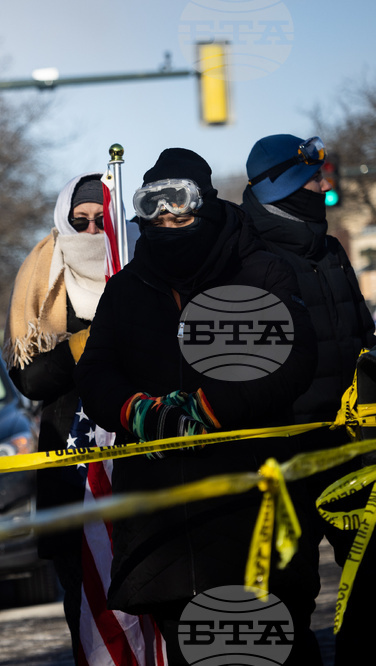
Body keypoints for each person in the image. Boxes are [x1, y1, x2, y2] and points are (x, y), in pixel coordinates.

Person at [75, 148, 319, 664]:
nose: (167, 220)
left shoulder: (260, 271)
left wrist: (206, 408)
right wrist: (137, 411)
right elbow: (95, 374)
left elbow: (291, 362)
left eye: (180, 208)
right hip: (165, 530)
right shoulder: (125, 289)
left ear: (205, 204)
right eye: (154, 209)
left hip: (249, 513)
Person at [243, 134, 376, 665]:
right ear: (284, 184)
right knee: (286, 593)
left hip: (350, 448)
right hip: (282, 453)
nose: (325, 187)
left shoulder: (330, 246)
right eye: (314, 179)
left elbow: (363, 336)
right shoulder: (247, 254)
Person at [3, 172, 107, 662]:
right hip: (70, 460)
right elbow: (28, 378)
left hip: (133, 459)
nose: (90, 231)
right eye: (79, 220)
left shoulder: (138, 266)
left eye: (100, 220)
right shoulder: (43, 276)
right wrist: (83, 347)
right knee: (82, 603)